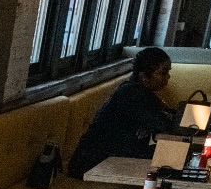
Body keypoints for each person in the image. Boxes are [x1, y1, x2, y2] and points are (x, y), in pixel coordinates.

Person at [67, 46, 177, 178]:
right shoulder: (130, 94)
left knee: (171, 159)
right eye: (163, 73)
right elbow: (164, 124)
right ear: (144, 76)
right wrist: (155, 122)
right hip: (91, 164)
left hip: (115, 154)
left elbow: (166, 117)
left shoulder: (142, 92)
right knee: (170, 162)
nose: (168, 77)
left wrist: (153, 123)